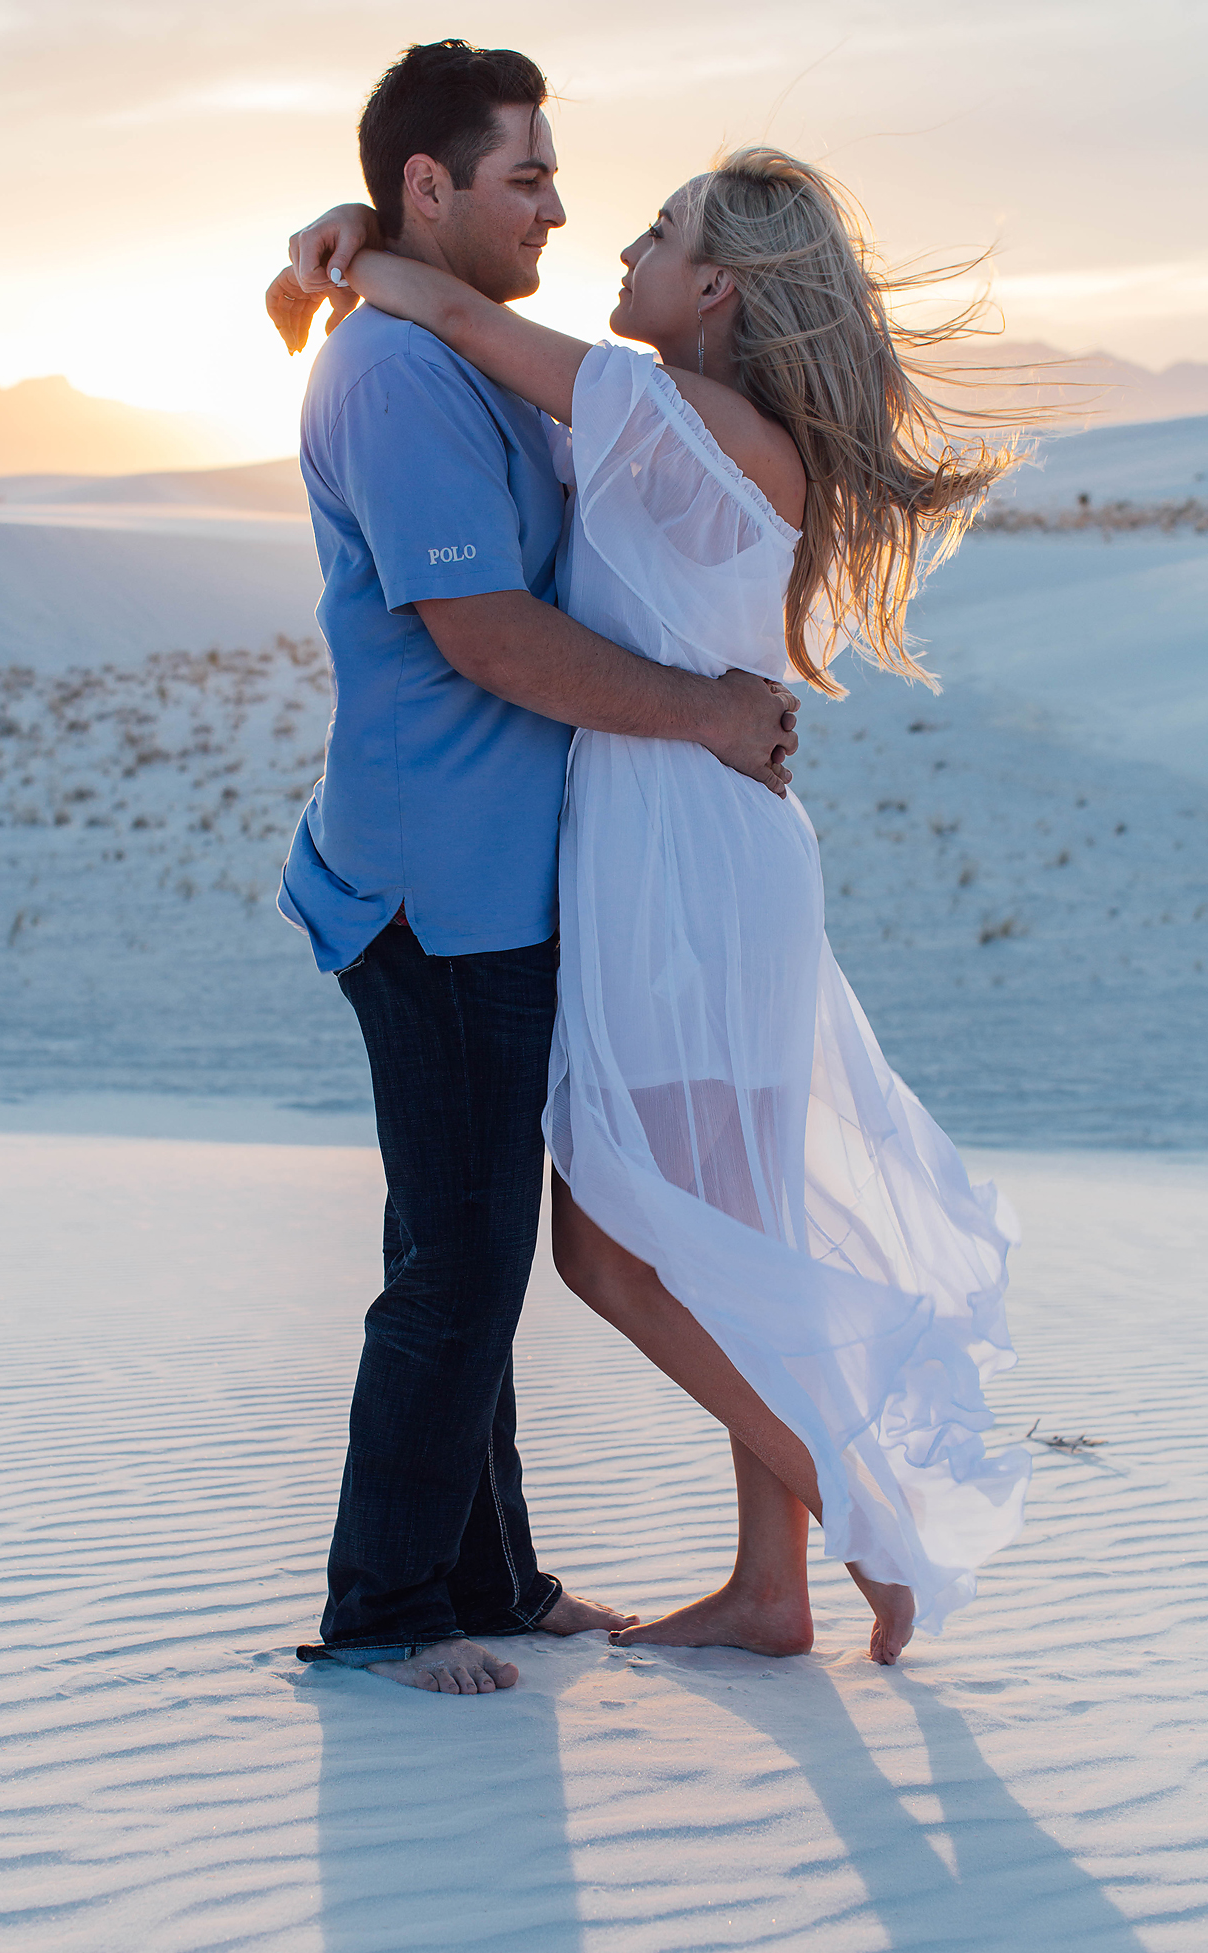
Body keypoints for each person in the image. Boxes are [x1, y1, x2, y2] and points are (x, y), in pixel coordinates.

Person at [274, 130, 1035, 1668]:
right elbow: (483, 358)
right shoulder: (672, 423)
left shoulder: (673, 412)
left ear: (716, 289)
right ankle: (774, 1591)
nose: (616, 246)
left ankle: (856, 1523)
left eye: (657, 232)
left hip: (684, 858)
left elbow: (475, 327)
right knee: (733, 1234)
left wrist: (359, 244)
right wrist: (352, 227)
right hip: (685, 842)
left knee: (612, 1250)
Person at [269, 41, 799, 1696]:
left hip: (515, 877)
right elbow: (489, 637)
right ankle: (388, 1607)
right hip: (437, 886)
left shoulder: (469, 349)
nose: (561, 209)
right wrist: (710, 713)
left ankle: (490, 1575)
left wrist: (356, 236)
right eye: (526, 177)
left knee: (478, 1243)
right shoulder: (394, 376)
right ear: (433, 187)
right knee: (460, 1255)